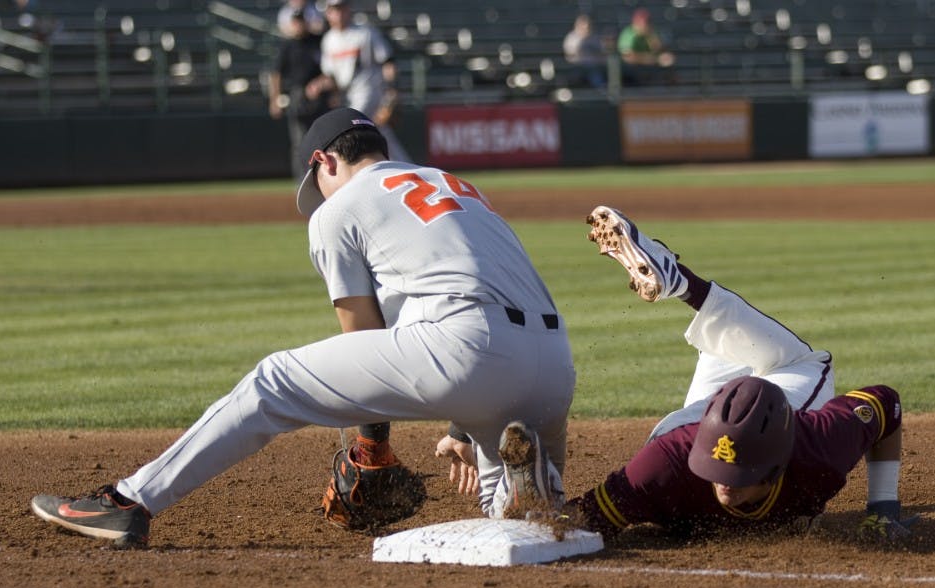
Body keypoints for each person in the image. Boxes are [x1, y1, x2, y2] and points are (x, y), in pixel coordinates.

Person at [30, 108, 576, 547]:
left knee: (273, 382)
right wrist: (462, 424)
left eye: (316, 181)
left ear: (323, 160)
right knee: (510, 525)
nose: (318, 197)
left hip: (465, 350)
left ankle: (128, 502)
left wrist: (371, 446)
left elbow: (361, 332)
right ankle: (529, 492)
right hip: (553, 366)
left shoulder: (339, 209)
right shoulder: (455, 185)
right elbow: (469, 288)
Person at [560, 205, 916, 542]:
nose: (725, 484)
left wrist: (883, 511)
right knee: (801, 365)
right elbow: (577, 519)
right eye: (718, 470)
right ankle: (680, 282)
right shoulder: (663, 467)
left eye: (738, 475)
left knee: (726, 347)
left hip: (692, 432)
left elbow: (886, 404)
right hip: (681, 438)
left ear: (778, 468)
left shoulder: (815, 449)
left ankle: (681, 282)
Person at [306, 0, 410, 162]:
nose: (338, 13)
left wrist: (392, 90)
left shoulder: (365, 33)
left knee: (351, 128)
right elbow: (330, 76)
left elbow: (388, 62)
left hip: (369, 92)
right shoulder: (329, 40)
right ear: (328, 13)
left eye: (341, 8)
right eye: (334, 9)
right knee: (379, 135)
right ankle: (406, 170)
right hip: (347, 95)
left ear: (348, 10)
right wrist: (319, 84)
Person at [268, 9, 327, 180]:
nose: (299, 25)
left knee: (322, 139)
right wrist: (275, 99)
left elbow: (330, 67)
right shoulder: (287, 45)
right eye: (296, 21)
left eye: (301, 21)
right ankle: (303, 180)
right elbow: (276, 73)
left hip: (319, 95)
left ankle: (323, 178)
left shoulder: (317, 41)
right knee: (299, 143)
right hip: (297, 95)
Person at [616, 7, 675, 86]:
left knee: (668, 60)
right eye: (642, 22)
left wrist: (651, 37)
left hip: (649, 66)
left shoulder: (651, 32)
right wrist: (651, 59)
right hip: (631, 69)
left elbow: (658, 49)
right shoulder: (628, 34)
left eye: (646, 22)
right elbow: (628, 58)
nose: (644, 25)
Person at [562, 14, 608, 89]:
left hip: (594, 67)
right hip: (577, 66)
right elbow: (569, 55)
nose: (585, 28)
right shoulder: (572, 38)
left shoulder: (595, 38)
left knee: (597, 77)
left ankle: (601, 93)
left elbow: (603, 54)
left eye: (587, 26)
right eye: (583, 25)